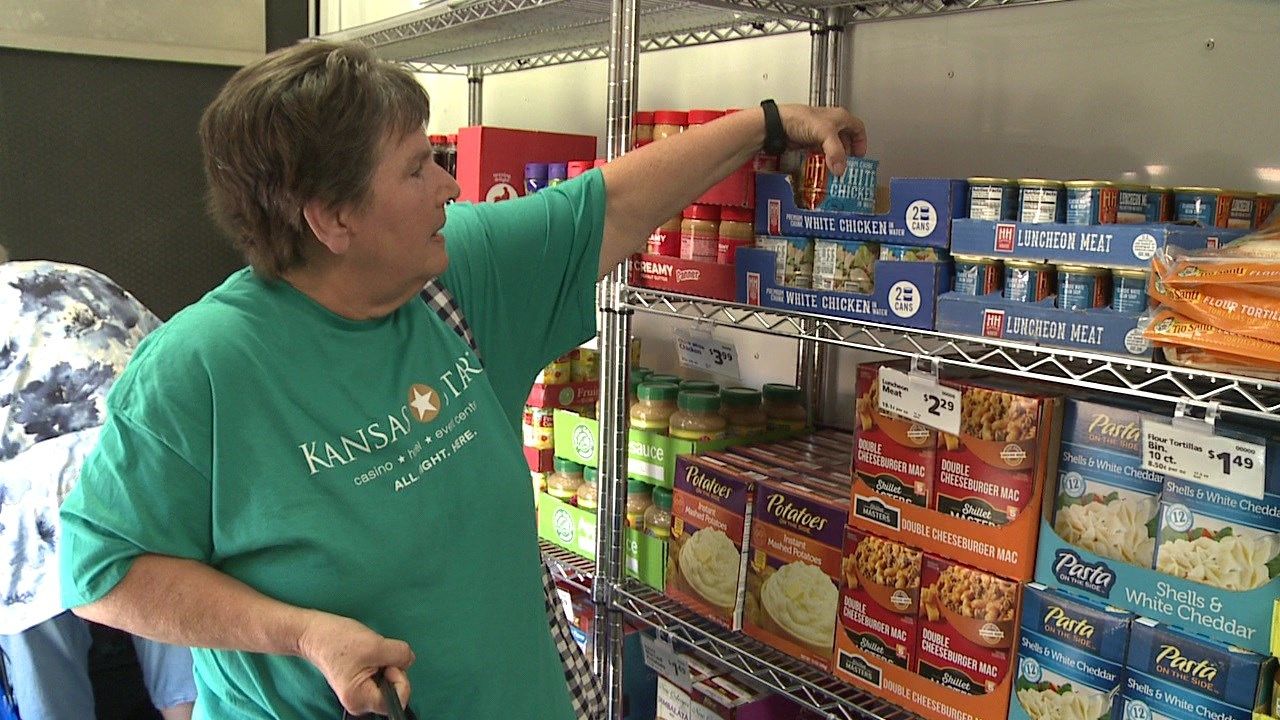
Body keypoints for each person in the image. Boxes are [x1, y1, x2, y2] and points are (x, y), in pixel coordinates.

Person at [58, 39, 867, 719]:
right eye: (417, 169)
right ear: (332, 220)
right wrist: (300, 632)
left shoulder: (448, 276)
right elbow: (103, 572)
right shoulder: (200, 369)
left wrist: (769, 123)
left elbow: (610, 205)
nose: (451, 183)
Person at [0, 249, 198, 719]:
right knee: (173, 608)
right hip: (144, 458)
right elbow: (170, 355)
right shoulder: (79, 277)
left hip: (29, 508)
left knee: (28, 621)